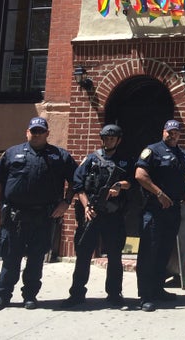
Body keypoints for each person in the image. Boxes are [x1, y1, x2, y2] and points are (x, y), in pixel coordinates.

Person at [0, 117, 76, 312]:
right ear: (27, 132)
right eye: (33, 131)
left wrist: (65, 202)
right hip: (14, 217)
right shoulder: (12, 153)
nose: (36, 134)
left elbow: (76, 181)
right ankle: (2, 295)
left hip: (43, 217)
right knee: (11, 258)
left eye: (40, 131)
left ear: (47, 134)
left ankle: (30, 296)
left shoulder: (59, 156)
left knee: (36, 259)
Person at [62, 124, 133, 308]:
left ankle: (114, 294)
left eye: (112, 138)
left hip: (113, 215)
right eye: (106, 138)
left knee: (115, 256)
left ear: (118, 140)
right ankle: (77, 293)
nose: (108, 141)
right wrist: (86, 207)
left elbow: (132, 182)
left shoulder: (125, 160)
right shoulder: (91, 159)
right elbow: (78, 186)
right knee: (84, 254)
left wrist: (119, 186)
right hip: (92, 214)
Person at [134, 119, 185, 312]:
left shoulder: (182, 154)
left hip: (173, 210)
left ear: (179, 134)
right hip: (154, 210)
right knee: (149, 252)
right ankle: (145, 296)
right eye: (169, 131)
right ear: (163, 131)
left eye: (175, 132)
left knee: (164, 251)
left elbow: (184, 177)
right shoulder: (152, 150)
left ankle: (158, 289)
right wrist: (159, 194)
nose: (172, 134)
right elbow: (140, 175)